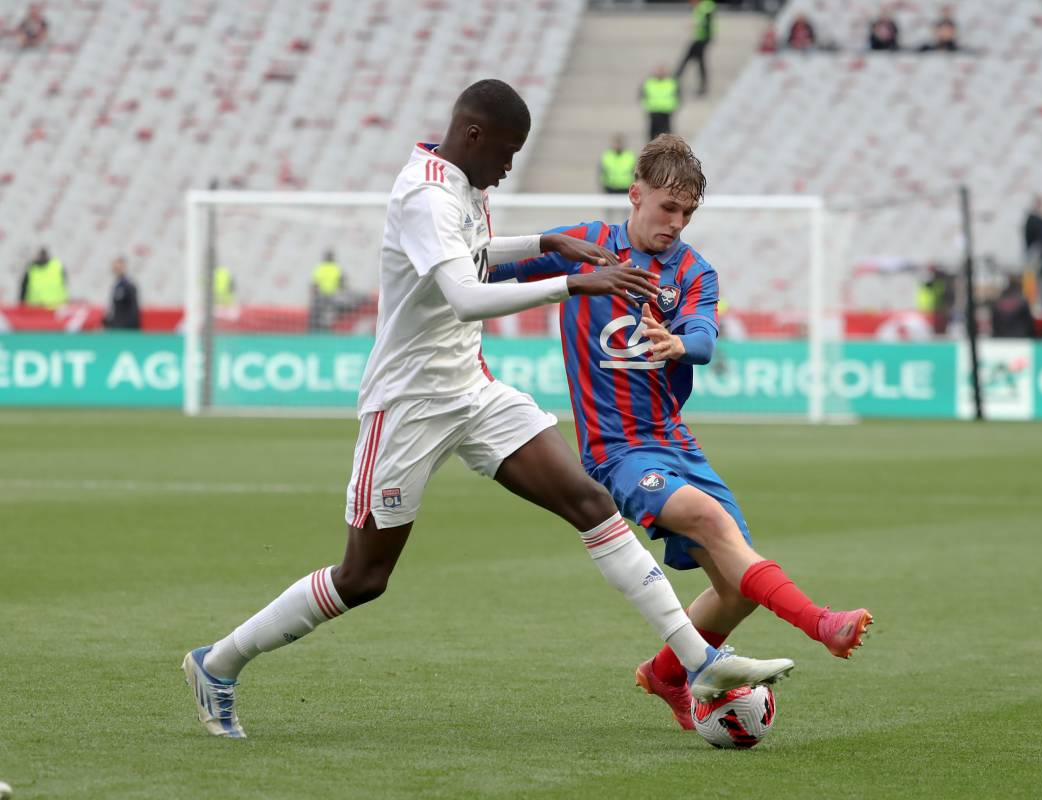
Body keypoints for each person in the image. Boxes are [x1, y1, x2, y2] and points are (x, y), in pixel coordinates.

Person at [181, 80, 792, 739]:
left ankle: (699, 661)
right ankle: (218, 663)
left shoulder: (464, 183)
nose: (507, 168)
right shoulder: (425, 195)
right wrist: (573, 281)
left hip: (473, 389)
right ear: (473, 136)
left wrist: (545, 243)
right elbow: (467, 296)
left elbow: (472, 256)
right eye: (506, 153)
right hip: (409, 405)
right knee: (364, 577)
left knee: (590, 503)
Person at [489, 134, 872, 732]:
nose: (676, 222)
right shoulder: (585, 244)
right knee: (714, 525)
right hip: (617, 450)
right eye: (668, 207)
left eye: (688, 213)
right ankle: (822, 623)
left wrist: (678, 343)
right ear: (635, 194)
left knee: (737, 586)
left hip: (676, 443)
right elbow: (493, 266)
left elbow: (704, 339)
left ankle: (667, 674)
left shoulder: (694, 271)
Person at [675, 0, 715, 97]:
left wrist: (695, 25)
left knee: (693, 60)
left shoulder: (706, 6)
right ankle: (676, 79)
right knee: (693, 60)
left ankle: (675, 80)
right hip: (700, 38)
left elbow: (706, 20)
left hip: (703, 39)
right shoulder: (700, 7)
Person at [309, 248, 345, 331]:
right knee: (332, 313)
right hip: (333, 296)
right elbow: (342, 284)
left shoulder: (320, 268)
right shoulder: (336, 268)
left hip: (321, 295)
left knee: (316, 313)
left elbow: (315, 284)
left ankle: (313, 329)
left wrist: (314, 295)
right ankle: (328, 327)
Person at [641, 66, 679, 142]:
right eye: (659, 71)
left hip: (666, 112)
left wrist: (673, 106)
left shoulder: (671, 82)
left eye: (662, 71)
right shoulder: (649, 82)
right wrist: (646, 106)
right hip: (654, 111)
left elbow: (677, 95)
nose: (660, 73)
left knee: (667, 135)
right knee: (653, 135)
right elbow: (643, 95)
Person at [103, 256, 141, 330]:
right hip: (116, 325)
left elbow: (133, 308)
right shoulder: (116, 285)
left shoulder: (128, 285)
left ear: (124, 267)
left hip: (125, 327)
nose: (116, 269)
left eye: (119, 267)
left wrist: (132, 326)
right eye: (115, 267)